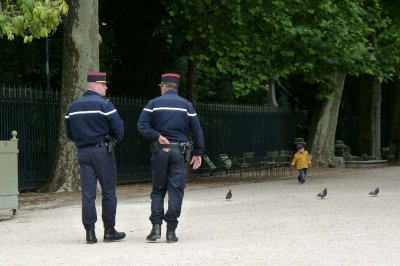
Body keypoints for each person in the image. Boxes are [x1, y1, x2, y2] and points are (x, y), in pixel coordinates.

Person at [137, 73, 204, 243]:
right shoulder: (186, 105)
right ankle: (171, 231)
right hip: (178, 152)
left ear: (164, 87)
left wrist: (157, 135)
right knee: (176, 191)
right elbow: (197, 131)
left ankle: (156, 227)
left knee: (158, 190)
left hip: (160, 151)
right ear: (176, 87)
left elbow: (142, 125)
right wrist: (197, 153)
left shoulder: (153, 104)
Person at [65, 72, 126, 244]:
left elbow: (69, 133)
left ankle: (90, 233)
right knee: (108, 191)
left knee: (88, 193)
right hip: (102, 151)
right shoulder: (104, 105)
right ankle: (109, 230)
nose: (106, 87)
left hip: (83, 152)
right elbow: (119, 127)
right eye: (103, 84)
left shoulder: (73, 106)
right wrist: (113, 140)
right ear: (93, 85)